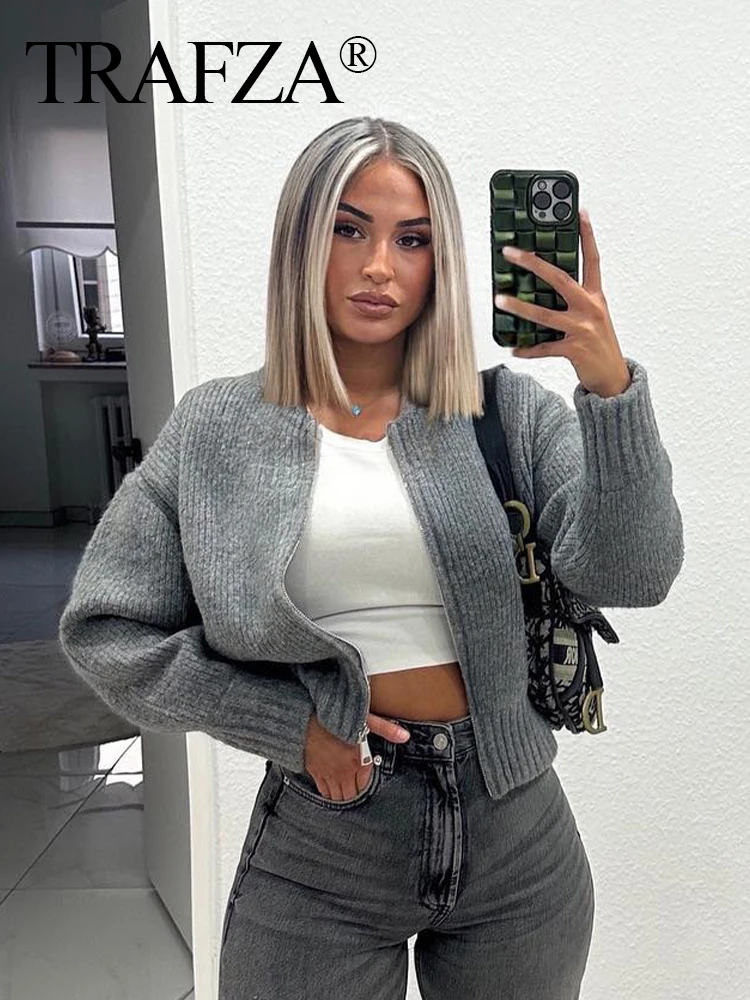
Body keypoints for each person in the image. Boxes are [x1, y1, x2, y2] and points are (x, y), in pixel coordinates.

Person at [59, 116, 684, 999]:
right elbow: (107, 632)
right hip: (325, 841)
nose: (380, 266)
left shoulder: (506, 413)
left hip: (516, 832)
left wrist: (608, 388)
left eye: (413, 239)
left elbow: (636, 574)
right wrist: (289, 727)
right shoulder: (217, 430)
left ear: (442, 262)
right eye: (349, 229)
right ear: (301, 242)